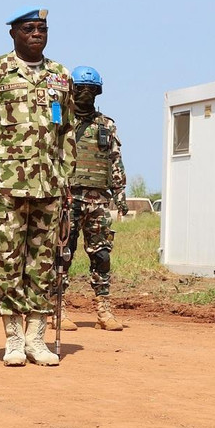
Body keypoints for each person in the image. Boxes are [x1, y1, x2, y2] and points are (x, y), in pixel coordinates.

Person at [0, 8, 74, 366]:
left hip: (49, 184)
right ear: (13, 33)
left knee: (43, 262)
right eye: (28, 28)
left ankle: (37, 338)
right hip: (6, 183)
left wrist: (66, 179)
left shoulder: (61, 75)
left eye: (42, 29)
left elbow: (67, 133)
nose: (36, 34)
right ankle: (13, 337)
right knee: (8, 259)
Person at [55, 65, 128, 331]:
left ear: (98, 92)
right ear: (71, 90)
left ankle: (103, 310)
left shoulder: (106, 125)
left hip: (99, 201)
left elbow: (114, 159)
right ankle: (58, 309)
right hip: (68, 198)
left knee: (102, 255)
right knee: (63, 253)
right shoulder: (60, 120)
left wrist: (120, 193)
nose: (86, 94)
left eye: (91, 89)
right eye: (80, 89)